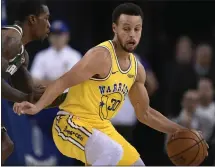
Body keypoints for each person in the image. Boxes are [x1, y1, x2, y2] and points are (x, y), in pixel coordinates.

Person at [13, 3, 208, 166]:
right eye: (126, 28)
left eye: (136, 29)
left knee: (138, 165)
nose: (132, 34)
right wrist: (37, 107)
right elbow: (63, 81)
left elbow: (145, 113)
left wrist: (180, 130)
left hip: (102, 128)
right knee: (112, 152)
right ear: (115, 28)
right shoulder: (101, 56)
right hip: (70, 122)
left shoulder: (136, 69)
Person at [1, 0, 50, 163]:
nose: (49, 25)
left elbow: (30, 92)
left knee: (5, 146)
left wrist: (61, 97)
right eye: (46, 18)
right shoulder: (10, 40)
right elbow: (24, 96)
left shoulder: (21, 55)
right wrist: (25, 98)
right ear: (32, 20)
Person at [31, 20, 82, 86]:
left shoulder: (74, 56)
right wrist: (59, 82)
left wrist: (46, 82)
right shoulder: (41, 56)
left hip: (69, 95)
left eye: (60, 34)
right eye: (54, 34)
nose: (57, 37)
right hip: (46, 94)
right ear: (49, 36)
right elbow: (34, 80)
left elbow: (72, 80)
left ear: (67, 36)